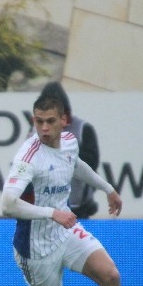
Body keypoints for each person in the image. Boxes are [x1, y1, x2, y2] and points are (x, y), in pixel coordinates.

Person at [2, 93, 143, 286]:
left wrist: (108, 188)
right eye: (39, 121)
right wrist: (51, 212)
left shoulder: (69, 142)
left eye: (50, 121)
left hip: (66, 232)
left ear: (64, 121)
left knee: (111, 276)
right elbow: (7, 204)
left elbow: (75, 164)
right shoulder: (28, 156)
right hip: (36, 246)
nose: (44, 128)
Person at [38, 81, 100, 219]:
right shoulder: (35, 133)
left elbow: (91, 165)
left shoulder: (83, 130)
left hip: (78, 209)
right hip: (45, 211)